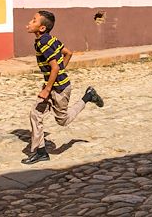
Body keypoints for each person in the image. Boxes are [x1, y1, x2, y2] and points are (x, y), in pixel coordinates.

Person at [22, 10, 104, 165]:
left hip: (59, 90)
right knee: (35, 113)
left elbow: (54, 67)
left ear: (42, 28)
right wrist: (59, 73)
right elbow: (68, 53)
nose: (29, 22)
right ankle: (40, 152)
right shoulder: (49, 39)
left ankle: (88, 96)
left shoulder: (43, 43)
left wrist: (47, 88)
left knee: (63, 121)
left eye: (34, 20)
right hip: (53, 85)